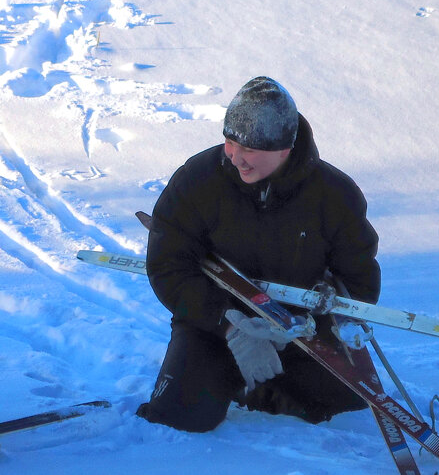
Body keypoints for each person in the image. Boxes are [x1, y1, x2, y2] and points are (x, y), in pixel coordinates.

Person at [137, 76, 380, 433]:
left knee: (345, 408)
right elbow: (168, 266)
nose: (236, 157)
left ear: (285, 148)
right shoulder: (197, 181)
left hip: (298, 332)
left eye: (249, 149)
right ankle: (221, 376)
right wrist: (229, 326)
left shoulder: (334, 195)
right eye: (230, 141)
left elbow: (358, 276)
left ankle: (256, 389)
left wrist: (325, 315)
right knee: (181, 416)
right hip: (216, 326)